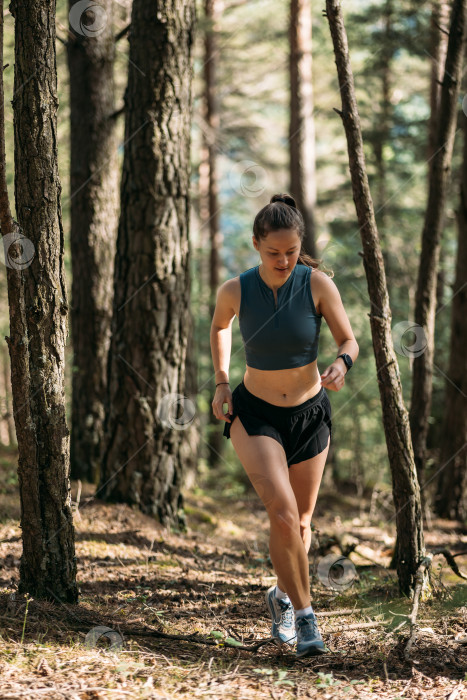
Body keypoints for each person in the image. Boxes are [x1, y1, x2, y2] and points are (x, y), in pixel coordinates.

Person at [210, 193, 359, 658]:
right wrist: (221, 382)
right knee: (281, 512)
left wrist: (343, 363)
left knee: (301, 521)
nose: (283, 260)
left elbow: (348, 338)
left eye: (291, 252)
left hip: (310, 414)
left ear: (300, 246)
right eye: (273, 252)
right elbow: (219, 327)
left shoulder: (317, 284)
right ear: (256, 245)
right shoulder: (236, 289)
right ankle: (307, 616)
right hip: (254, 413)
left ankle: (282, 596)